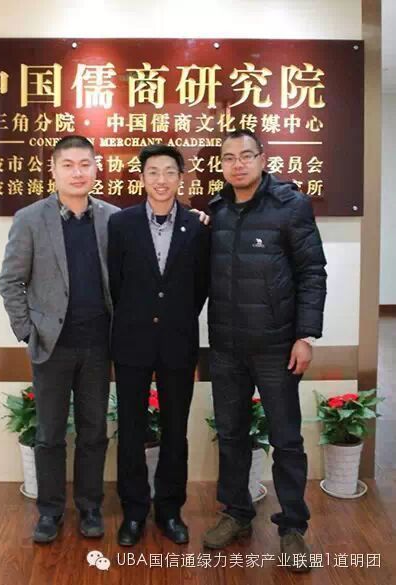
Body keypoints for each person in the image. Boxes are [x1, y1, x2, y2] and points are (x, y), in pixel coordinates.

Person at [202, 129, 327, 573]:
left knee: (286, 439)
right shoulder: (215, 212)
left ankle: (292, 527)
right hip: (226, 347)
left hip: (277, 347)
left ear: (261, 158)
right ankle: (236, 512)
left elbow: (312, 271)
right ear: (221, 165)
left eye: (246, 156)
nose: (237, 164)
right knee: (231, 434)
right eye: (229, 158)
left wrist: (306, 335)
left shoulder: (290, 206)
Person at [0, 135, 120, 544]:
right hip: (51, 346)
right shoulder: (30, 219)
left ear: (96, 168)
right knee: (49, 434)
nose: (77, 172)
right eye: (68, 165)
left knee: (94, 431)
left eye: (85, 164)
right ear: (53, 170)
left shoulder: (112, 219)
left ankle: (90, 507)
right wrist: (27, 331)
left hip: (99, 345)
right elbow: (11, 281)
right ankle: (49, 511)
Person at [108, 144, 210, 547]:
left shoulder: (198, 226)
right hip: (131, 340)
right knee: (131, 430)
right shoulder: (122, 224)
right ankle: (133, 512)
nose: (161, 180)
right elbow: (115, 283)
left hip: (178, 342)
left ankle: (169, 510)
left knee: (174, 430)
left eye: (169, 171)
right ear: (142, 178)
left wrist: (174, 318)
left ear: (181, 178)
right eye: (153, 172)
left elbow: (201, 286)